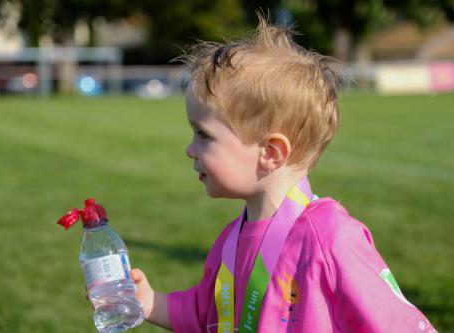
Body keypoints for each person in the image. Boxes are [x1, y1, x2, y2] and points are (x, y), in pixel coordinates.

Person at [129, 16, 437, 333]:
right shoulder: (230, 242)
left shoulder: (332, 238)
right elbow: (209, 315)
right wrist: (150, 301)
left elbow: (393, 322)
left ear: (271, 152)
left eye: (204, 135)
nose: (190, 150)